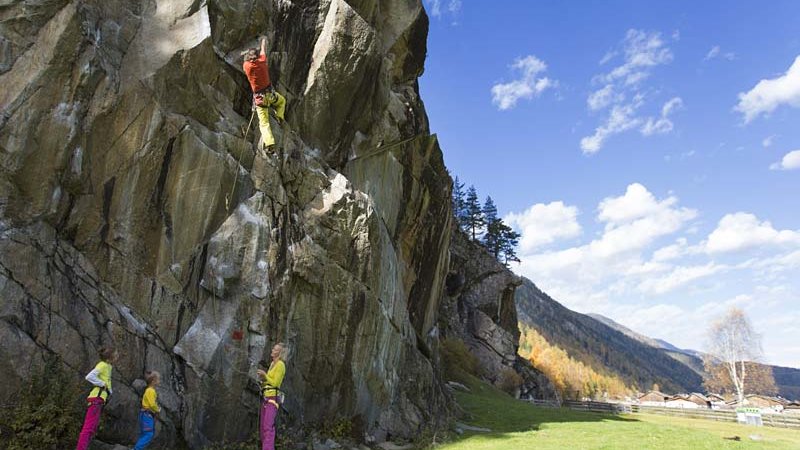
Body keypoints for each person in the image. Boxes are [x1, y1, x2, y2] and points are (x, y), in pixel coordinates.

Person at [242, 37, 287, 155]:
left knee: (264, 123)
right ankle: (280, 117)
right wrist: (263, 42)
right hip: (270, 95)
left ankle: (270, 143)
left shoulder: (247, 66)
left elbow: (246, 61)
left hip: (260, 100)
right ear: (257, 57)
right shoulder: (262, 61)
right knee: (282, 101)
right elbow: (263, 51)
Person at [76, 346, 118, 450]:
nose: (117, 357)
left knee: (93, 427)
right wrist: (101, 384)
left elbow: (108, 382)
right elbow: (89, 376)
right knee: (88, 427)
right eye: (116, 355)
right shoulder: (102, 365)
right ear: (109, 358)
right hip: (96, 398)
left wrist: (109, 391)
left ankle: (84, 447)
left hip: (100, 400)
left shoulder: (108, 366)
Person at [256, 343, 289, 450]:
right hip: (266, 398)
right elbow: (269, 382)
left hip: (272, 399)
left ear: (279, 353)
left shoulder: (280, 365)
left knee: (267, 427)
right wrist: (262, 380)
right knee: (262, 428)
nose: (272, 350)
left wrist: (265, 375)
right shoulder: (272, 364)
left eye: (274, 349)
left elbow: (275, 383)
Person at [134, 370, 161, 450]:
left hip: (144, 414)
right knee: (148, 433)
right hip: (147, 415)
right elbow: (152, 404)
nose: (159, 381)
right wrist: (158, 409)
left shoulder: (149, 390)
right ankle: (137, 449)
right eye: (158, 379)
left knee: (144, 433)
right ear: (153, 381)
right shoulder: (151, 391)